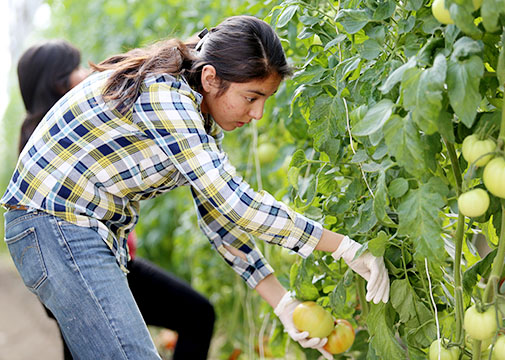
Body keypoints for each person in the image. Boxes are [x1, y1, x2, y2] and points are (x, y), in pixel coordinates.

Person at [1, 16, 390, 360]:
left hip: (72, 231)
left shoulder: (194, 114)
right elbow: (236, 203)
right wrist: (342, 246)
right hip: (57, 226)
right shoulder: (165, 93)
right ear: (210, 78)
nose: (257, 114)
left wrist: (284, 303)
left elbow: (221, 218)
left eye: (265, 100)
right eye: (251, 97)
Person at [14, 39, 215, 360]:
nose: (86, 73)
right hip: (90, 260)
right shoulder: (64, 129)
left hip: (98, 258)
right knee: (197, 314)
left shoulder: (42, 131)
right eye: (77, 67)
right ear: (57, 80)